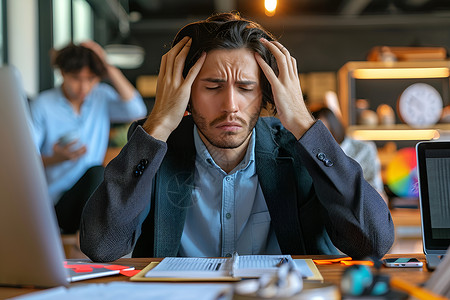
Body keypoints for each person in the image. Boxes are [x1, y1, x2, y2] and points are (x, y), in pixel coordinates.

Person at [80, 12, 394, 262]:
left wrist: (303, 124)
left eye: (245, 88)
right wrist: (159, 124)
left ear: (265, 93)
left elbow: (373, 241)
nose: (230, 106)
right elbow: (101, 246)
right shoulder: (154, 150)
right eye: (213, 87)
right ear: (186, 94)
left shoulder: (299, 149)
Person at [30, 41, 147, 234]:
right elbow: (25, 160)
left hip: (92, 200)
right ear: (62, 73)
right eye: (76, 78)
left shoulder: (101, 97)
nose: (83, 86)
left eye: (91, 78)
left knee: (105, 176)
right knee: (97, 173)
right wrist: (57, 158)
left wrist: (107, 66)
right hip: (55, 204)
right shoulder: (42, 105)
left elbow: (136, 109)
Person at [312, 107, 388, 202]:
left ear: (335, 127)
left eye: (326, 132)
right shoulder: (313, 154)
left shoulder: (364, 149)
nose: (323, 138)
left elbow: (379, 196)